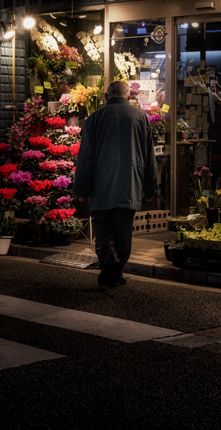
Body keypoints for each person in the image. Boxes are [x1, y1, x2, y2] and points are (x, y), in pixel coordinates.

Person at [74, 80, 160, 288]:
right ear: (129, 96)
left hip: (100, 184)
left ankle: (109, 262)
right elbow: (149, 156)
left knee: (102, 225)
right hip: (130, 184)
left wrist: (81, 188)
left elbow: (86, 156)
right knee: (123, 231)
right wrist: (151, 187)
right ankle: (115, 271)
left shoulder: (95, 118)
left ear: (106, 96)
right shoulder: (140, 118)